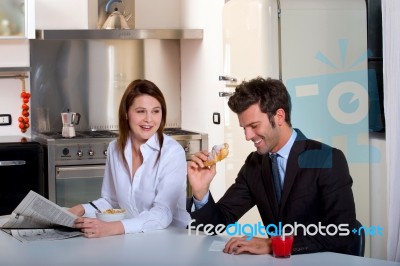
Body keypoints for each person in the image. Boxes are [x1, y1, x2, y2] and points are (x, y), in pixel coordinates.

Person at [187, 77, 357, 255]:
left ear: (279, 116)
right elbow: (216, 224)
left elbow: (342, 234)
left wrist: (272, 244)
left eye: (253, 126)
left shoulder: (327, 159)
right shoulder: (255, 164)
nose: (247, 136)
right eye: (244, 128)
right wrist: (201, 192)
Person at [69, 79, 190, 238]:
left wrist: (112, 228)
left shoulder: (172, 152)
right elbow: (112, 202)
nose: (149, 119)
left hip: (172, 238)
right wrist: (81, 209)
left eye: (155, 111)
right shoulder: (115, 148)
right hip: (134, 238)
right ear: (126, 113)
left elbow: (163, 213)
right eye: (141, 111)